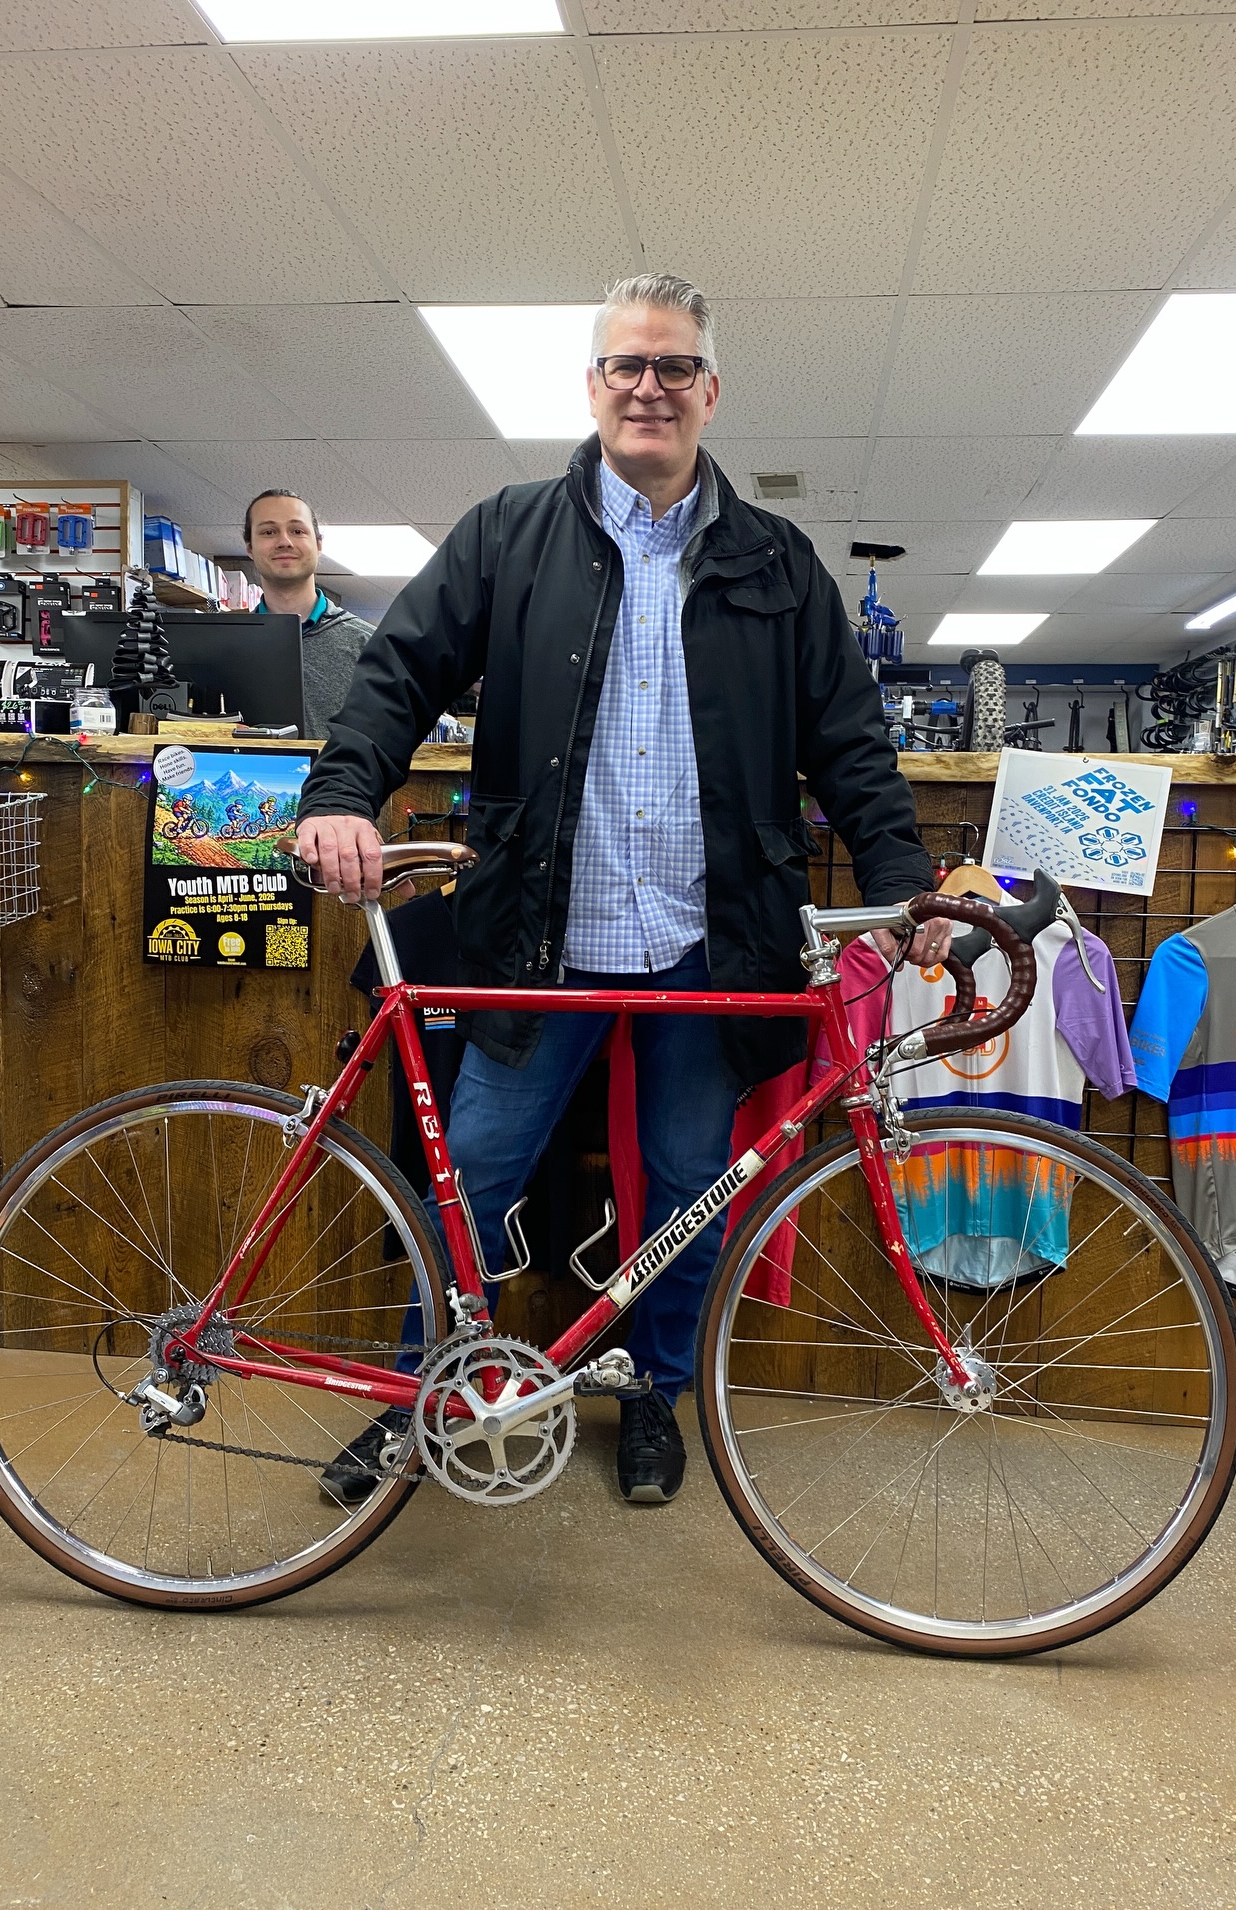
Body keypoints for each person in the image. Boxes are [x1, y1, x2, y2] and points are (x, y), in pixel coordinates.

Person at [296, 272, 950, 1506]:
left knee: (687, 1200)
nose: (647, 386)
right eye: (624, 366)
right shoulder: (509, 533)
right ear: (594, 385)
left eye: (672, 367)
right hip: (539, 946)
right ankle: (411, 1400)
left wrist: (903, 879)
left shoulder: (777, 562)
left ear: (709, 390)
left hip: (712, 951)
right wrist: (342, 790)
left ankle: (653, 1397)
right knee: (467, 1186)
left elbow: (853, 743)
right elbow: (397, 670)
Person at [243, 488, 374, 740]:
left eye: (297, 531)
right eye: (268, 532)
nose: (284, 541)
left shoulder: (370, 646)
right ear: (250, 547)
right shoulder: (228, 645)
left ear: (318, 544)